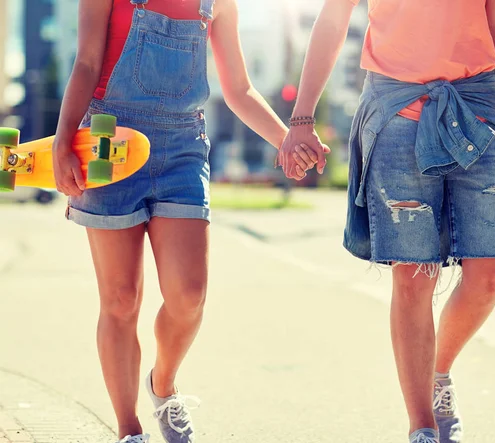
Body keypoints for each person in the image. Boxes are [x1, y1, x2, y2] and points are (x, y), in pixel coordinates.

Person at [52, 0, 321, 442]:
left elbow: (238, 88)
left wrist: (287, 140)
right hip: (108, 141)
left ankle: (163, 383)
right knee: (120, 298)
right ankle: (129, 429)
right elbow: (86, 61)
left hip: (182, 148)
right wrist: (64, 140)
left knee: (189, 296)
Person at [279, 1, 495, 442]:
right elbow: (333, 19)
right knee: (414, 276)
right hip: (396, 109)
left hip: (480, 104)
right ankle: (423, 428)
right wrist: (302, 118)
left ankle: (438, 372)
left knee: (492, 271)